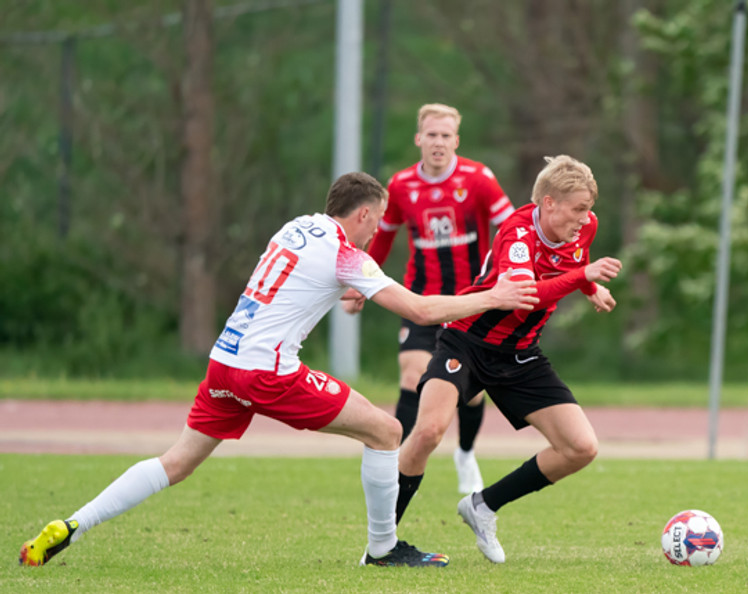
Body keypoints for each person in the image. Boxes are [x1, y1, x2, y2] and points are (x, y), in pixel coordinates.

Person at [18, 172, 539, 568]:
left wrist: (355, 288)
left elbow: (300, 284)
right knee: (386, 431)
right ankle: (383, 548)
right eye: (377, 221)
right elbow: (421, 311)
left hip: (225, 363)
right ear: (362, 214)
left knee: (176, 462)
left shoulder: (297, 227)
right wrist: (493, 296)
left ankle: (73, 524)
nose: (377, 231)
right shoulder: (347, 255)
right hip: (266, 372)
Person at [393, 155, 621, 563]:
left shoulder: (586, 226)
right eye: (578, 208)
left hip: (520, 354)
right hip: (467, 341)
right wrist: (582, 279)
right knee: (427, 432)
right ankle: (381, 541)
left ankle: (482, 506)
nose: (585, 219)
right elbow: (523, 296)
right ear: (548, 203)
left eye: (588, 209)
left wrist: (591, 289)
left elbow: (575, 261)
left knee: (581, 447)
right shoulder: (517, 233)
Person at [345, 103, 515, 495]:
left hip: (471, 300)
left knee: (472, 394)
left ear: (456, 140)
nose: (438, 142)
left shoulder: (478, 179)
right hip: (421, 299)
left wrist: (508, 275)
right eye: (432, 135)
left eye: (445, 135)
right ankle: (395, 462)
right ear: (419, 139)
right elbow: (382, 238)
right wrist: (361, 283)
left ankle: (465, 454)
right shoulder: (401, 185)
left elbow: (510, 228)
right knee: (412, 375)